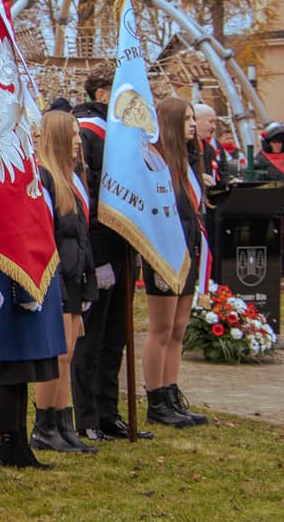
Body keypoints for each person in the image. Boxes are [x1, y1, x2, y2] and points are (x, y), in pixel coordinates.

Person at [71, 65, 151, 442]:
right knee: (92, 337)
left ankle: (108, 411)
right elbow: (85, 196)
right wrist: (96, 255)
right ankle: (85, 415)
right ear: (102, 94)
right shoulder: (86, 132)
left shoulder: (121, 133)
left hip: (121, 246)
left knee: (115, 336)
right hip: (98, 249)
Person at [26, 110, 99, 456]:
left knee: (68, 353)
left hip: (75, 276)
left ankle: (63, 423)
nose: (77, 140)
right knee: (56, 355)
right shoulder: (45, 177)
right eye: (71, 133)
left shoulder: (74, 178)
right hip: (56, 277)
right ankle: (45, 425)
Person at [142, 97, 209, 429]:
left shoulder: (187, 161)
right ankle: (156, 398)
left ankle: (171, 392)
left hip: (188, 249)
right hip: (165, 252)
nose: (194, 124)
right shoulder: (156, 163)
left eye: (194, 118)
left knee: (179, 329)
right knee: (161, 329)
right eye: (187, 119)